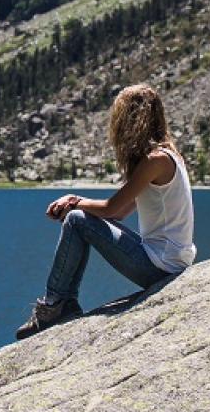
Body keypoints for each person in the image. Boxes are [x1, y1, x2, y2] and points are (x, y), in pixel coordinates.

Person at [16, 83, 196, 339]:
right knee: (80, 218)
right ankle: (61, 303)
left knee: (77, 219)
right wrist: (77, 202)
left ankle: (55, 306)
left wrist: (73, 203)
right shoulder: (169, 156)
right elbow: (119, 212)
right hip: (172, 260)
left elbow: (113, 208)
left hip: (161, 267)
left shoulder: (154, 161)